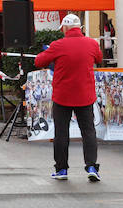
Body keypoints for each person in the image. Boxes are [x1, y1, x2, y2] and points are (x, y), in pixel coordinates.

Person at [34, 14, 102, 181]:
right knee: (88, 131)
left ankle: (62, 169)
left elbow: (38, 61)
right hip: (85, 95)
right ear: (79, 28)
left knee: (61, 133)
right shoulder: (92, 43)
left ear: (65, 28)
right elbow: (99, 58)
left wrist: (50, 54)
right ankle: (92, 165)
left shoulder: (58, 45)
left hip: (63, 96)